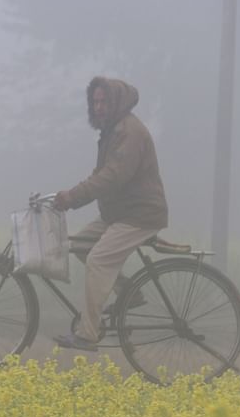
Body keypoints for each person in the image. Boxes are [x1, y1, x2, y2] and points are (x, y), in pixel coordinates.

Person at [49, 76, 168, 351]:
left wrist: (74, 197)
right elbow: (101, 174)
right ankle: (128, 292)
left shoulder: (129, 132)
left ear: (116, 102)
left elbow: (113, 177)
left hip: (139, 215)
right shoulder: (112, 131)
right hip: (118, 212)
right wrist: (70, 194)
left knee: (99, 261)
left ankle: (88, 334)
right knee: (78, 246)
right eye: (95, 102)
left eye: (104, 102)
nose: (99, 107)